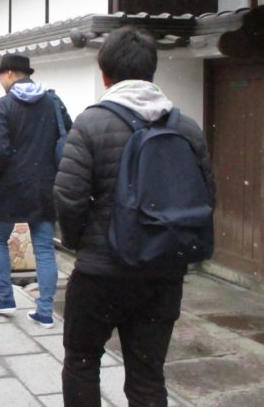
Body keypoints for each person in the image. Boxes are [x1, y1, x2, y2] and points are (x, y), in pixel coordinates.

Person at [54, 27, 215, 406]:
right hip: (161, 273)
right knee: (147, 374)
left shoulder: (91, 123)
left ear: (104, 73)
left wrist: (80, 243)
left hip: (100, 273)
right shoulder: (186, 127)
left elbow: (68, 196)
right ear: (152, 71)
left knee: (82, 360)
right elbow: (206, 196)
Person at [0, 53, 71, 329]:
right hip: (45, 184)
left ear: (9, 73)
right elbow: (68, 135)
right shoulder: (53, 101)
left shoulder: (4, 105)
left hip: (11, 185)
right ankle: (44, 311)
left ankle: (5, 297)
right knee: (44, 247)